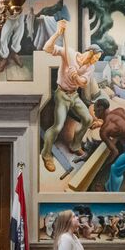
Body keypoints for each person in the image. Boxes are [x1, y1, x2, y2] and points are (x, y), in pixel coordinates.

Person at [40, 19, 101, 172]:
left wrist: (75, 77)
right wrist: (58, 33)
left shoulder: (90, 67)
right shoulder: (70, 53)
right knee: (58, 126)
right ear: (90, 52)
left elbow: (83, 83)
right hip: (61, 95)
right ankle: (46, 154)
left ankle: (75, 145)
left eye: (97, 59)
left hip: (74, 95)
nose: (96, 60)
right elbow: (47, 48)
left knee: (87, 119)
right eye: (96, 57)